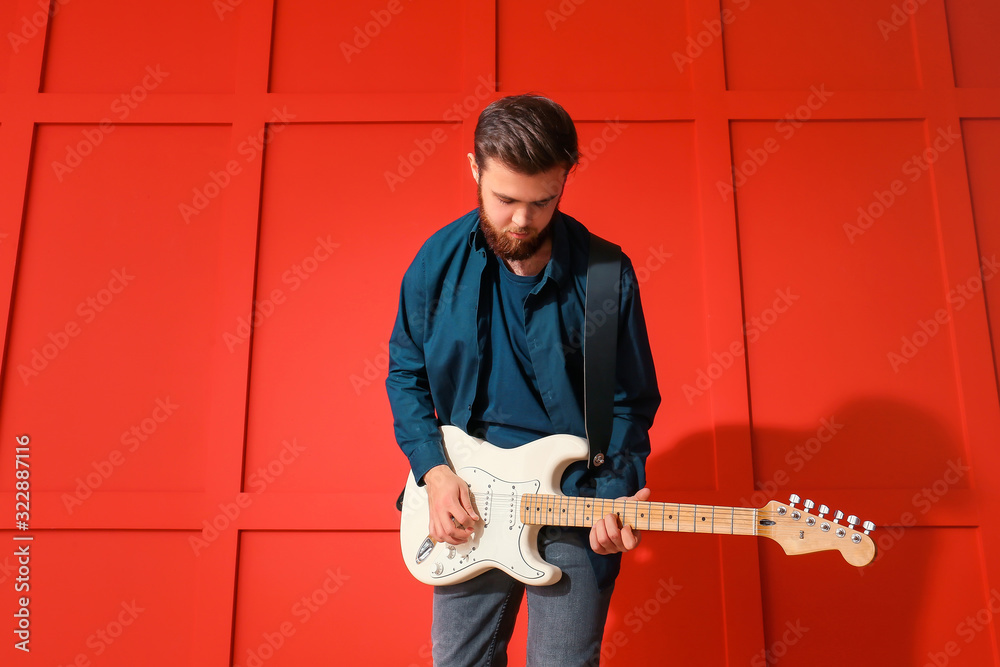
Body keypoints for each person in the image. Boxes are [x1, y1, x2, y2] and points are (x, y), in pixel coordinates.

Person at [386, 94, 660, 666]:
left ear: (566, 178)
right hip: (469, 501)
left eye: (542, 202)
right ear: (474, 169)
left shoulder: (606, 275)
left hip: (574, 504)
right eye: (505, 198)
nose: (522, 220)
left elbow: (631, 400)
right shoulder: (435, 262)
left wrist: (613, 500)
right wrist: (434, 473)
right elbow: (405, 373)